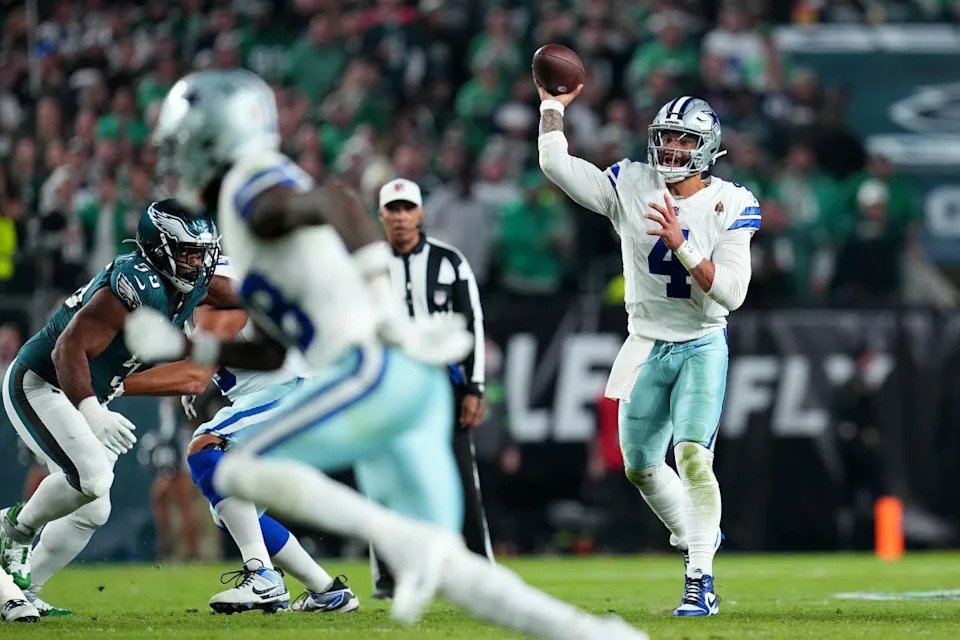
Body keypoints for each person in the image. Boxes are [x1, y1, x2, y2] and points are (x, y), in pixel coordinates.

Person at [130, 68, 646, 640]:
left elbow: (340, 203)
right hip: (396, 381)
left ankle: (331, 560)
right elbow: (274, 350)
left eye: (183, 140)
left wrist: (381, 306)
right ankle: (600, 636)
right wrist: (189, 345)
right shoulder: (242, 205)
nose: (178, 157)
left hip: (371, 369)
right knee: (453, 569)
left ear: (213, 136)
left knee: (231, 463)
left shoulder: (247, 186)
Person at [537, 81, 759, 616]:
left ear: (706, 149)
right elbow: (557, 167)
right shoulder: (632, 183)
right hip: (645, 342)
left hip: (702, 342)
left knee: (692, 458)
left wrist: (682, 246)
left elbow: (731, 293)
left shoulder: (732, 202)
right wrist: (552, 108)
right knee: (639, 465)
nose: (672, 151)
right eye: (667, 139)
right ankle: (699, 535)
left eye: (684, 142)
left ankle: (699, 578)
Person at [0, 200, 232, 616]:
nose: (198, 263)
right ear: (159, 249)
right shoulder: (129, 286)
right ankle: (13, 530)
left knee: (94, 509)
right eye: (187, 252)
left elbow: (241, 294)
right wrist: (93, 411)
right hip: (41, 383)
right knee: (90, 477)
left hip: (86, 389)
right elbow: (66, 349)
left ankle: (24, 590)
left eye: (202, 252)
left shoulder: (192, 279)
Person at [120, 256, 358, 614]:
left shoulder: (218, 293)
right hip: (294, 391)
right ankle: (327, 592)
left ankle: (262, 577)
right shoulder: (205, 292)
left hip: (295, 390)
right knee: (235, 511)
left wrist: (112, 387)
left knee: (203, 447)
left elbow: (193, 377)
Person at [371, 177, 492, 599]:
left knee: (460, 474)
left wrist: (475, 387)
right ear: (382, 215)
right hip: (386, 385)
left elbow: (472, 323)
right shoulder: (368, 265)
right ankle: (388, 574)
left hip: (442, 384)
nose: (401, 217)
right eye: (393, 209)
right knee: (386, 477)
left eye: (408, 209)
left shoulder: (450, 261)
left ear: (420, 213)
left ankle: (477, 568)